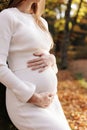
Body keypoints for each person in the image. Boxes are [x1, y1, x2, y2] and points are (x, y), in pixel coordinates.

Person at [0, 0, 71, 130]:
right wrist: (32, 97)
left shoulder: (41, 22)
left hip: (51, 101)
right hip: (25, 102)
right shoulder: (8, 16)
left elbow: (47, 63)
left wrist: (52, 60)